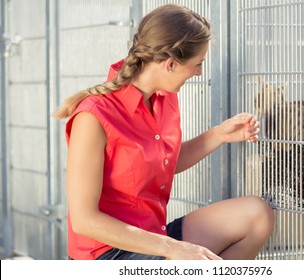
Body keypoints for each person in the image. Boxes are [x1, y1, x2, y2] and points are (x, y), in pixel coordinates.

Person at [53, 4, 274, 260]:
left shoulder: (165, 98)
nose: (199, 72)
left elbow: (162, 163)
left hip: (154, 238)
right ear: (170, 64)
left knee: (257, 214)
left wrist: (219, 135)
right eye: (197, 63)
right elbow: (84, 221)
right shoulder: (93, 115)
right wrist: (175, 248)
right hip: (107, 254)